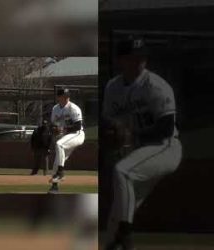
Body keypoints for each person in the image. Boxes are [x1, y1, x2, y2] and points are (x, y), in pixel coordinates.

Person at [102, 36, 182, 249]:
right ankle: (116, 239)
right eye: (132, 57)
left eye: (141, 57)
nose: (139, 61)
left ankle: (126, 234)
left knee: (123, 172)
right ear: (121, 60)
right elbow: (108, 123)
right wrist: (114, 138)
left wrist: (131, 136)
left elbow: (165, 128)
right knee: (116, 216)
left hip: (164, 148)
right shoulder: (113, 88)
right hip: (138, 153)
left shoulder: (155, 85)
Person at [48, 88, 85, 193]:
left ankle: (61, 172)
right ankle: (54, 187)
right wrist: (54, 129)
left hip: (77, 135)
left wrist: (63, 129)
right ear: (58, 97)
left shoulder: (73, 108)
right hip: (66, 137)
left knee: (59, 144)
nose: (67, 97)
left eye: (67, 95)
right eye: (64, 96)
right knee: (57, 161)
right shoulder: (55, 109)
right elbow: (53, 125)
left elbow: (78, 126)